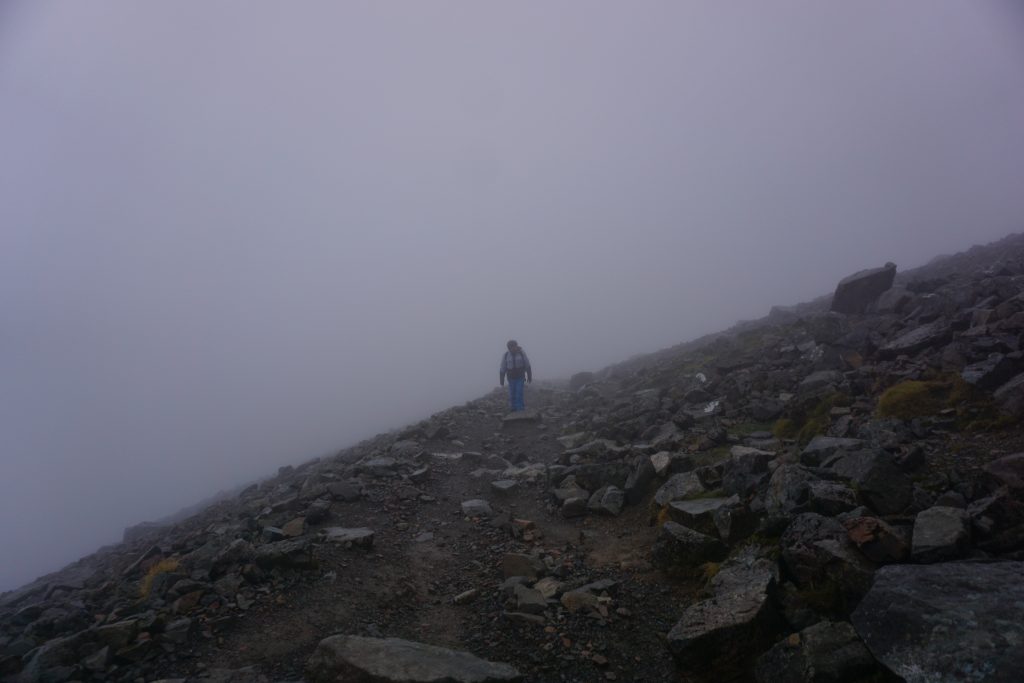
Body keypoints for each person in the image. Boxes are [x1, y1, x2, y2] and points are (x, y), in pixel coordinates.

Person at [499, 339, 532, 411]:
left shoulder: (521, 353)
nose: (513, 348)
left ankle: (520, 410)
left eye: (514, 346)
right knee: (512, 394)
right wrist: (501, 380)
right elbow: (503, 368)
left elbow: (527, 365)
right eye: (511, 347)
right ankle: (513, 408)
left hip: (520, 377)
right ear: (509, 348)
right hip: (511, 379)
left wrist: (529, 376)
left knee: (519, 393)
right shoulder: (506, 356)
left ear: (516, 346)